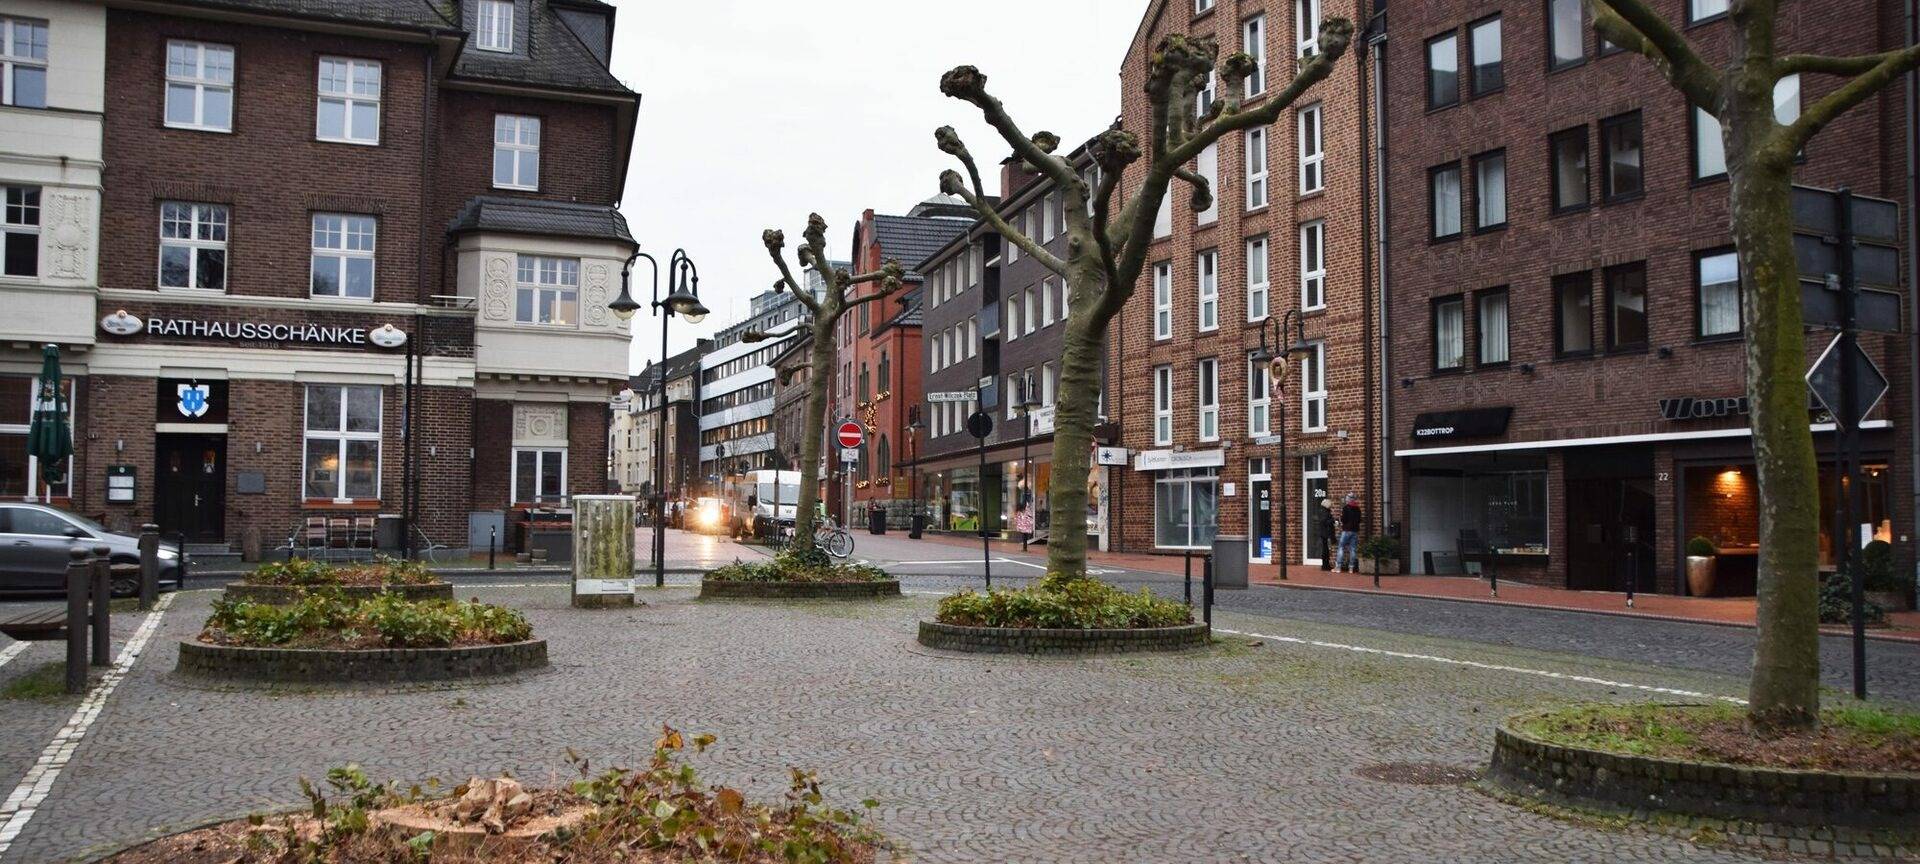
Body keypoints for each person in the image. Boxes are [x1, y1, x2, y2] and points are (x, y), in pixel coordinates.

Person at [1336, 493, 1363, 573]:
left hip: (1347, 530)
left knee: (1341, 547)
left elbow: (1344, 519)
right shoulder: (1358, 508)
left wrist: (1341, 519)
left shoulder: (1346, 508)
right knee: (1353, 549)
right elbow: (1359, 520)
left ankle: (1338, 567)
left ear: (1349, 499)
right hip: (1355, 531)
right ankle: (1351, 568)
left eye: (1347, 498)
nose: (1346, 499)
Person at [1317, 497, 1338, 571]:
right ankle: (1325, 565)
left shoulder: (1322, 511)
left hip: (1324, 533)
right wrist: (1332, 520)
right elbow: (1324, 522)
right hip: (1326, 533)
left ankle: (1325, 565)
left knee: (1326, 549)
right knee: (1326, 550)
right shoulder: (1325, 512)